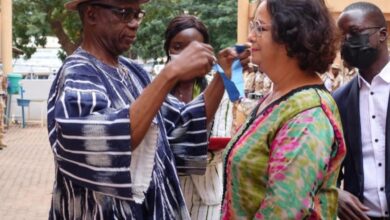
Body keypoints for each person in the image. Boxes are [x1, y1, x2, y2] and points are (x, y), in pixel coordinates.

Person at [48, 0, 248, 219]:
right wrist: (170, 73)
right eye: (124, 13)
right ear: (91, 14)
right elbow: (102, 141)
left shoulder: (133, 71)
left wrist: (222, 77)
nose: (134, 24)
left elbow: (181, 126)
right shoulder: (79, 72)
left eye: (137, 14)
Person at [221, 0, 346, 219]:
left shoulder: (308, 116)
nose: (251, 37)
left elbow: (283, 211)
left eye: (260, 27)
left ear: (291, 37)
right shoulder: (277, 96)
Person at [163, 14, 224, 220]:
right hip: (164, 195)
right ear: (168, 50)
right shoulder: (153, 93)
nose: (187, 54)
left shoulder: (221, 91)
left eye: (195, 48)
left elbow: (225, 141)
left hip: (206, 197)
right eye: (178, 47)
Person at [333, 2, 390, 220]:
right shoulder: (339, 100)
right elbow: (328, 168)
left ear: (382, 34)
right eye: (342, 36)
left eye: (354, 33)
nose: (347, 42)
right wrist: (335, 193)